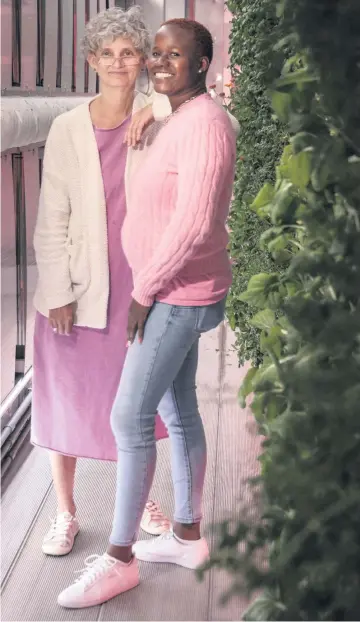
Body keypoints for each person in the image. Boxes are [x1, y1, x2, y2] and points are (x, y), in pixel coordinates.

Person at [58, 18, 237, 609]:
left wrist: (144, 290)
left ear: (203, 63)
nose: (160, 64)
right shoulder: (180, 116)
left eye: (174, 55)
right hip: (171, 291)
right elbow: (171, 123)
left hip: (175, 296)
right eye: (155, 54)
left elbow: (194, 225)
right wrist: (153, 110)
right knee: (178, 410)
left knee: (129, 418)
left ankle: (119, 558)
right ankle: (186, 535)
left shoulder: (206, 126)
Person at [31, 6, 178, 558]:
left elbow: (212, 110)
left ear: (142, 60)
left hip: (141, 284)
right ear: (91, 60)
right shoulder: (67, 127)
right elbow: (52, 217)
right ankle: (65, 513)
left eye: (129, 53)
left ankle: (139, 504)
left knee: (136, 400)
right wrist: (58, 293)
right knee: (64, 399)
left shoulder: (161, 113)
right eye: (107, 53)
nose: (118, 63)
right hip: (79, 283)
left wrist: (160, 103)